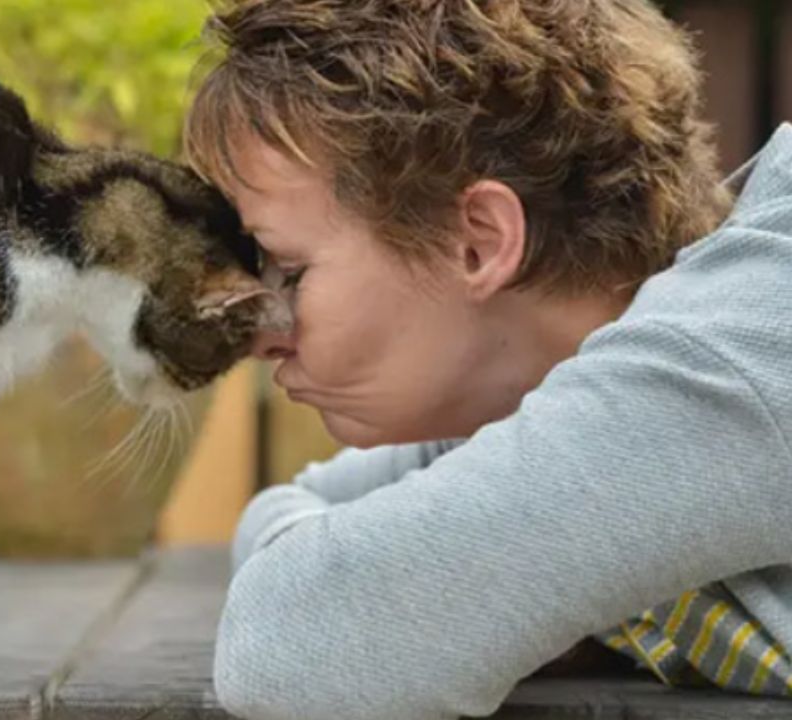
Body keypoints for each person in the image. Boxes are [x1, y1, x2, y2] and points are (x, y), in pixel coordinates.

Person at [182, 1, 792, 718]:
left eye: (290, 269)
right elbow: (293, 513)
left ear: (479, 241)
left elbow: (289, 644)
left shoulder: (737, 347)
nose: (261, 335)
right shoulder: (553, 392)